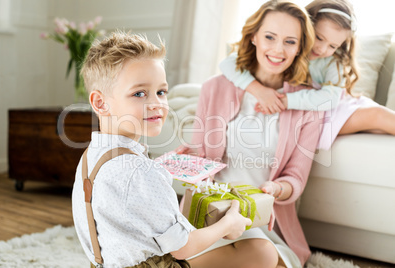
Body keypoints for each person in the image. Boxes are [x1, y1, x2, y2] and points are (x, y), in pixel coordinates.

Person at [71, 31, 252, 268]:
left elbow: (133, 205)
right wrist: (228, 225)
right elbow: (182, 248)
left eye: (161, 92)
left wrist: (160, 171)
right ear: (100, 103)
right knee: (260, 251)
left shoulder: (91, 156)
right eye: (139, 93)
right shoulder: (140, 173)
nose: (156, 103)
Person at [177, 1, 321, 267]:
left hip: (264, 222)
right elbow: (202, 151)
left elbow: (296, 178)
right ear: (253, 36)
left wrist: (277, 188)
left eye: (290, 41)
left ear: (300, 47)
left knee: (264, 254)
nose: (278, 50)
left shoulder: (309, 104)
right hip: (211, 215)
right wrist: (187, 158)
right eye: (269, 37)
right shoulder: (215, 87)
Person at [220, 0, 395, 150]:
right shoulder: (286, 48)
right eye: (319, 38)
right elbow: (227, 63)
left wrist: (286, 101)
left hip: (331, 104)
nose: (322, 49)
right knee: (377, 118)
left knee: (379, 118)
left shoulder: (333, 61)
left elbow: (330, 99)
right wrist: (258, 90)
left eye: (333, 46)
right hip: (311, 109)